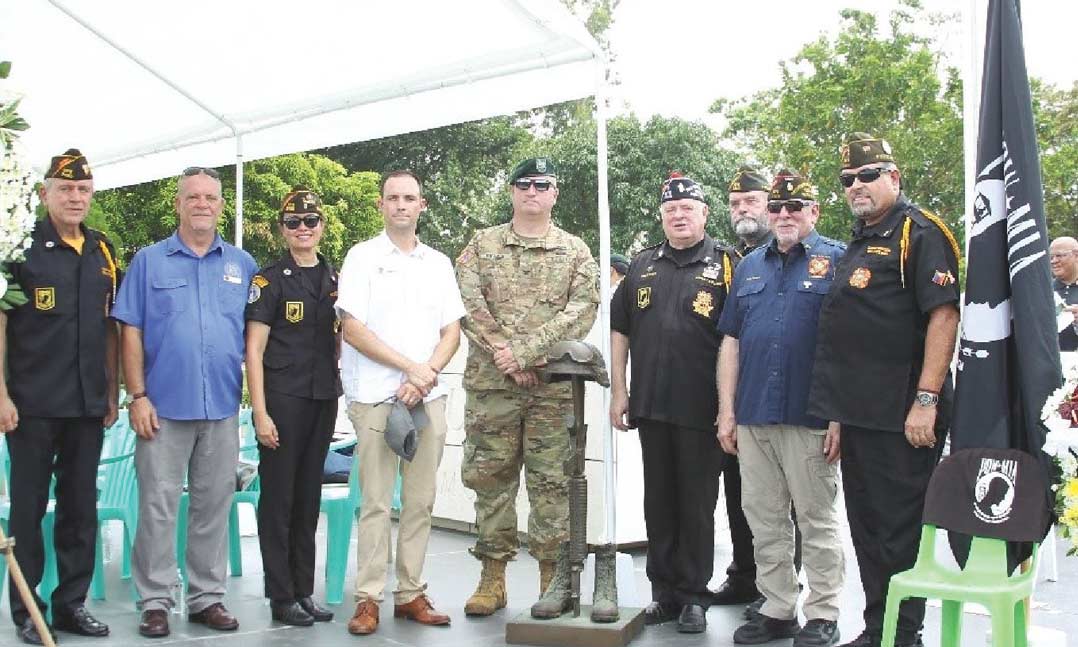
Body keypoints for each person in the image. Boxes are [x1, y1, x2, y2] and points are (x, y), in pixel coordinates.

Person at [809, 134, 960, 647]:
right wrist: (837, 413)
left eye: (868, 176)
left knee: (898, 531)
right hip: (859, 412)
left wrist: (926, 400)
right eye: (847, 180)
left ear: (893, 177)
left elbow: (943, 316)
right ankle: (879, 628)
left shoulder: (919, 232)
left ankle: (903, 634)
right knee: (868, 528)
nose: (857, 186)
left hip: (903, 413)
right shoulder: (860, 238)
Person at [111, 166, 258, 639]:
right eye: (193, 196)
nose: (202, 204)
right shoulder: (149, 262)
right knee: (158, 507)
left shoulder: (243, 265)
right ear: (178, 204)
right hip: (162, 407)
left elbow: (257, 338)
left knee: (213, 505)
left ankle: (206, 598)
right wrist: (137, 396)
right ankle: (155, 601)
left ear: (221, 206)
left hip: (222, 406)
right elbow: (129, 331)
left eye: (210, 197)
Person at [455, 157, 599, 617]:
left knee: (552, 484)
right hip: (492, 387)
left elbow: (582, 310)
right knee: (490, 481)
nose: (532, 192)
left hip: (551, 390)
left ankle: (551, 582)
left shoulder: (575, 251)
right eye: (524, 184)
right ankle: (492, 578)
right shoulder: (482, 244)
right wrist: (506, 354)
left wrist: (526, 351)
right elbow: (467, 303)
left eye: (541, 184)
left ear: (554, 193)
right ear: (512, 192)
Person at [718, 171, 846, 647]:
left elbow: (849, 345)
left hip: (809, 415)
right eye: (776, 208)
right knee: (764, 519)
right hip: (754, 414)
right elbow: (731, 341)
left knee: (816, 520)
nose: (785, 215)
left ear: (815, 211)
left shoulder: (838, 261)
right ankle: (777, 608)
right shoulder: (750, 266)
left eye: (796, 206)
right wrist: (726, 410)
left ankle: (823, 612)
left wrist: (839, 414)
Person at [336, 171, 464, 635]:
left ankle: (410, 594)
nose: (401, 205)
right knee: (375, 502)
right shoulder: (362, 257)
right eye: (393, 198)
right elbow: (352, 329)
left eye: (410, 198)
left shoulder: (439, 263)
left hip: (427, 397)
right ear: (381, 205)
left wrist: (425, 374)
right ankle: (368, 598)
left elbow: (452, 331)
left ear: (422, 205)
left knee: (420, 501)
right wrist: (412, 369)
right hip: (376, 394)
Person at [610, 173, 738, 633]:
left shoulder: (727, 264)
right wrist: (619, 390)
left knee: (697, 505)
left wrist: (729, 407)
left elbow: (737, 337)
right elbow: (620, 329)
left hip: (702, 409)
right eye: (670, 210)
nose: (679, 216)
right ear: (662, 217)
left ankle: (694, 596)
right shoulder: (642, 264)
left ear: (704, 213)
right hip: (651, 403)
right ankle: (663, 593)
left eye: (687, 209)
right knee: (659, 502)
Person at [0, 149, 118, 644]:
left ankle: (72, 605)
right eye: (65, 189)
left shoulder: (102, 251)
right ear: (44, 193)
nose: (75, 197)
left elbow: (111, 327)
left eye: (83, 190)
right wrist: (1, 393)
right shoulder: (18, 248)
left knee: (80, 510)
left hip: (86, 404)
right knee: (28, 512)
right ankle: (29, 611)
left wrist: (113, 391)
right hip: (31, 403)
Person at [245, 187, 341, 627]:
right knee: (279, 501)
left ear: (321, 226)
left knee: (307, 500)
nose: (303, 228)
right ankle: (280, 594)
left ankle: (304, 590)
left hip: (322, 398)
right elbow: (254, 350)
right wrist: (260, 412)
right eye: (293, 222)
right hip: (282, 401)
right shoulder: (269, 280)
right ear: (282, 230)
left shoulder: (334, 278)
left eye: (310, 221)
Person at [1049, 236, 1078, 352]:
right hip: (1048, 359)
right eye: (1051, 257)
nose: (1054, 261)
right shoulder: (1044, 291)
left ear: (1076, 255)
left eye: (1059, 255)